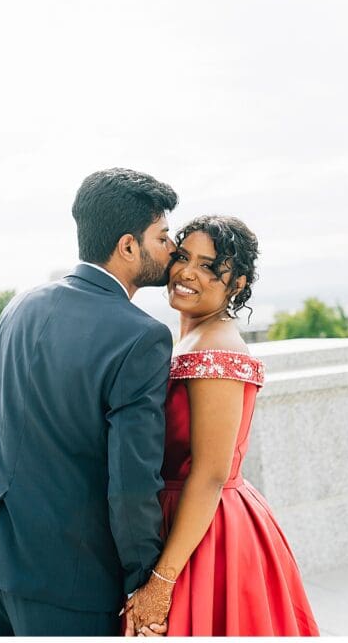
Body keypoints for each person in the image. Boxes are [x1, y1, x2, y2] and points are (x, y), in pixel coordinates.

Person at [0, 167, 180, 636]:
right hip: (65, 577)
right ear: (128, 246)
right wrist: (146, 581)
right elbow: (133, 482)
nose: (171, 249)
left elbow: (1, 424)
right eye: (163, 236)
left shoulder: (20, 305)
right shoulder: (142, 337)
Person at [123, 214, 320, 636]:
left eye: (210, 266)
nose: (188, 272)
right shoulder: (190, 338)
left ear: (239, 284)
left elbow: (211, 473)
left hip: (208, 529)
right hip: (181, 516)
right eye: (182, 257)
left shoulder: (218, 348)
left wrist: (161, 582)